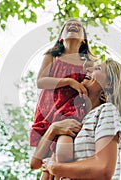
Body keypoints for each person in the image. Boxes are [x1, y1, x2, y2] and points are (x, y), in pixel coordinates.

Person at [31, 58, 121, 180]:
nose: (89, 69)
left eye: (97, 68)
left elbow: (103, 168)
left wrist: (56, 167)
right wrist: (53, 129)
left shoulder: (107, 111)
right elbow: (35, 164)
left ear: (109, 84)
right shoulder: (76, 119)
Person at [29, 18, 95, 180]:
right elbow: (41, 81)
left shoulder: (88, 63)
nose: (73, 25)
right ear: (61, 38)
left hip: (71, 110)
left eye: (78, 26)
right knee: (47, 158)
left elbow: (92, 86)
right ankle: (52, 166)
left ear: (84, 40)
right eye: (68, 25)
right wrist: (69, 81)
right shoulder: (52, 56)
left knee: (61, 153)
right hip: (50, 109)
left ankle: (56, 168)